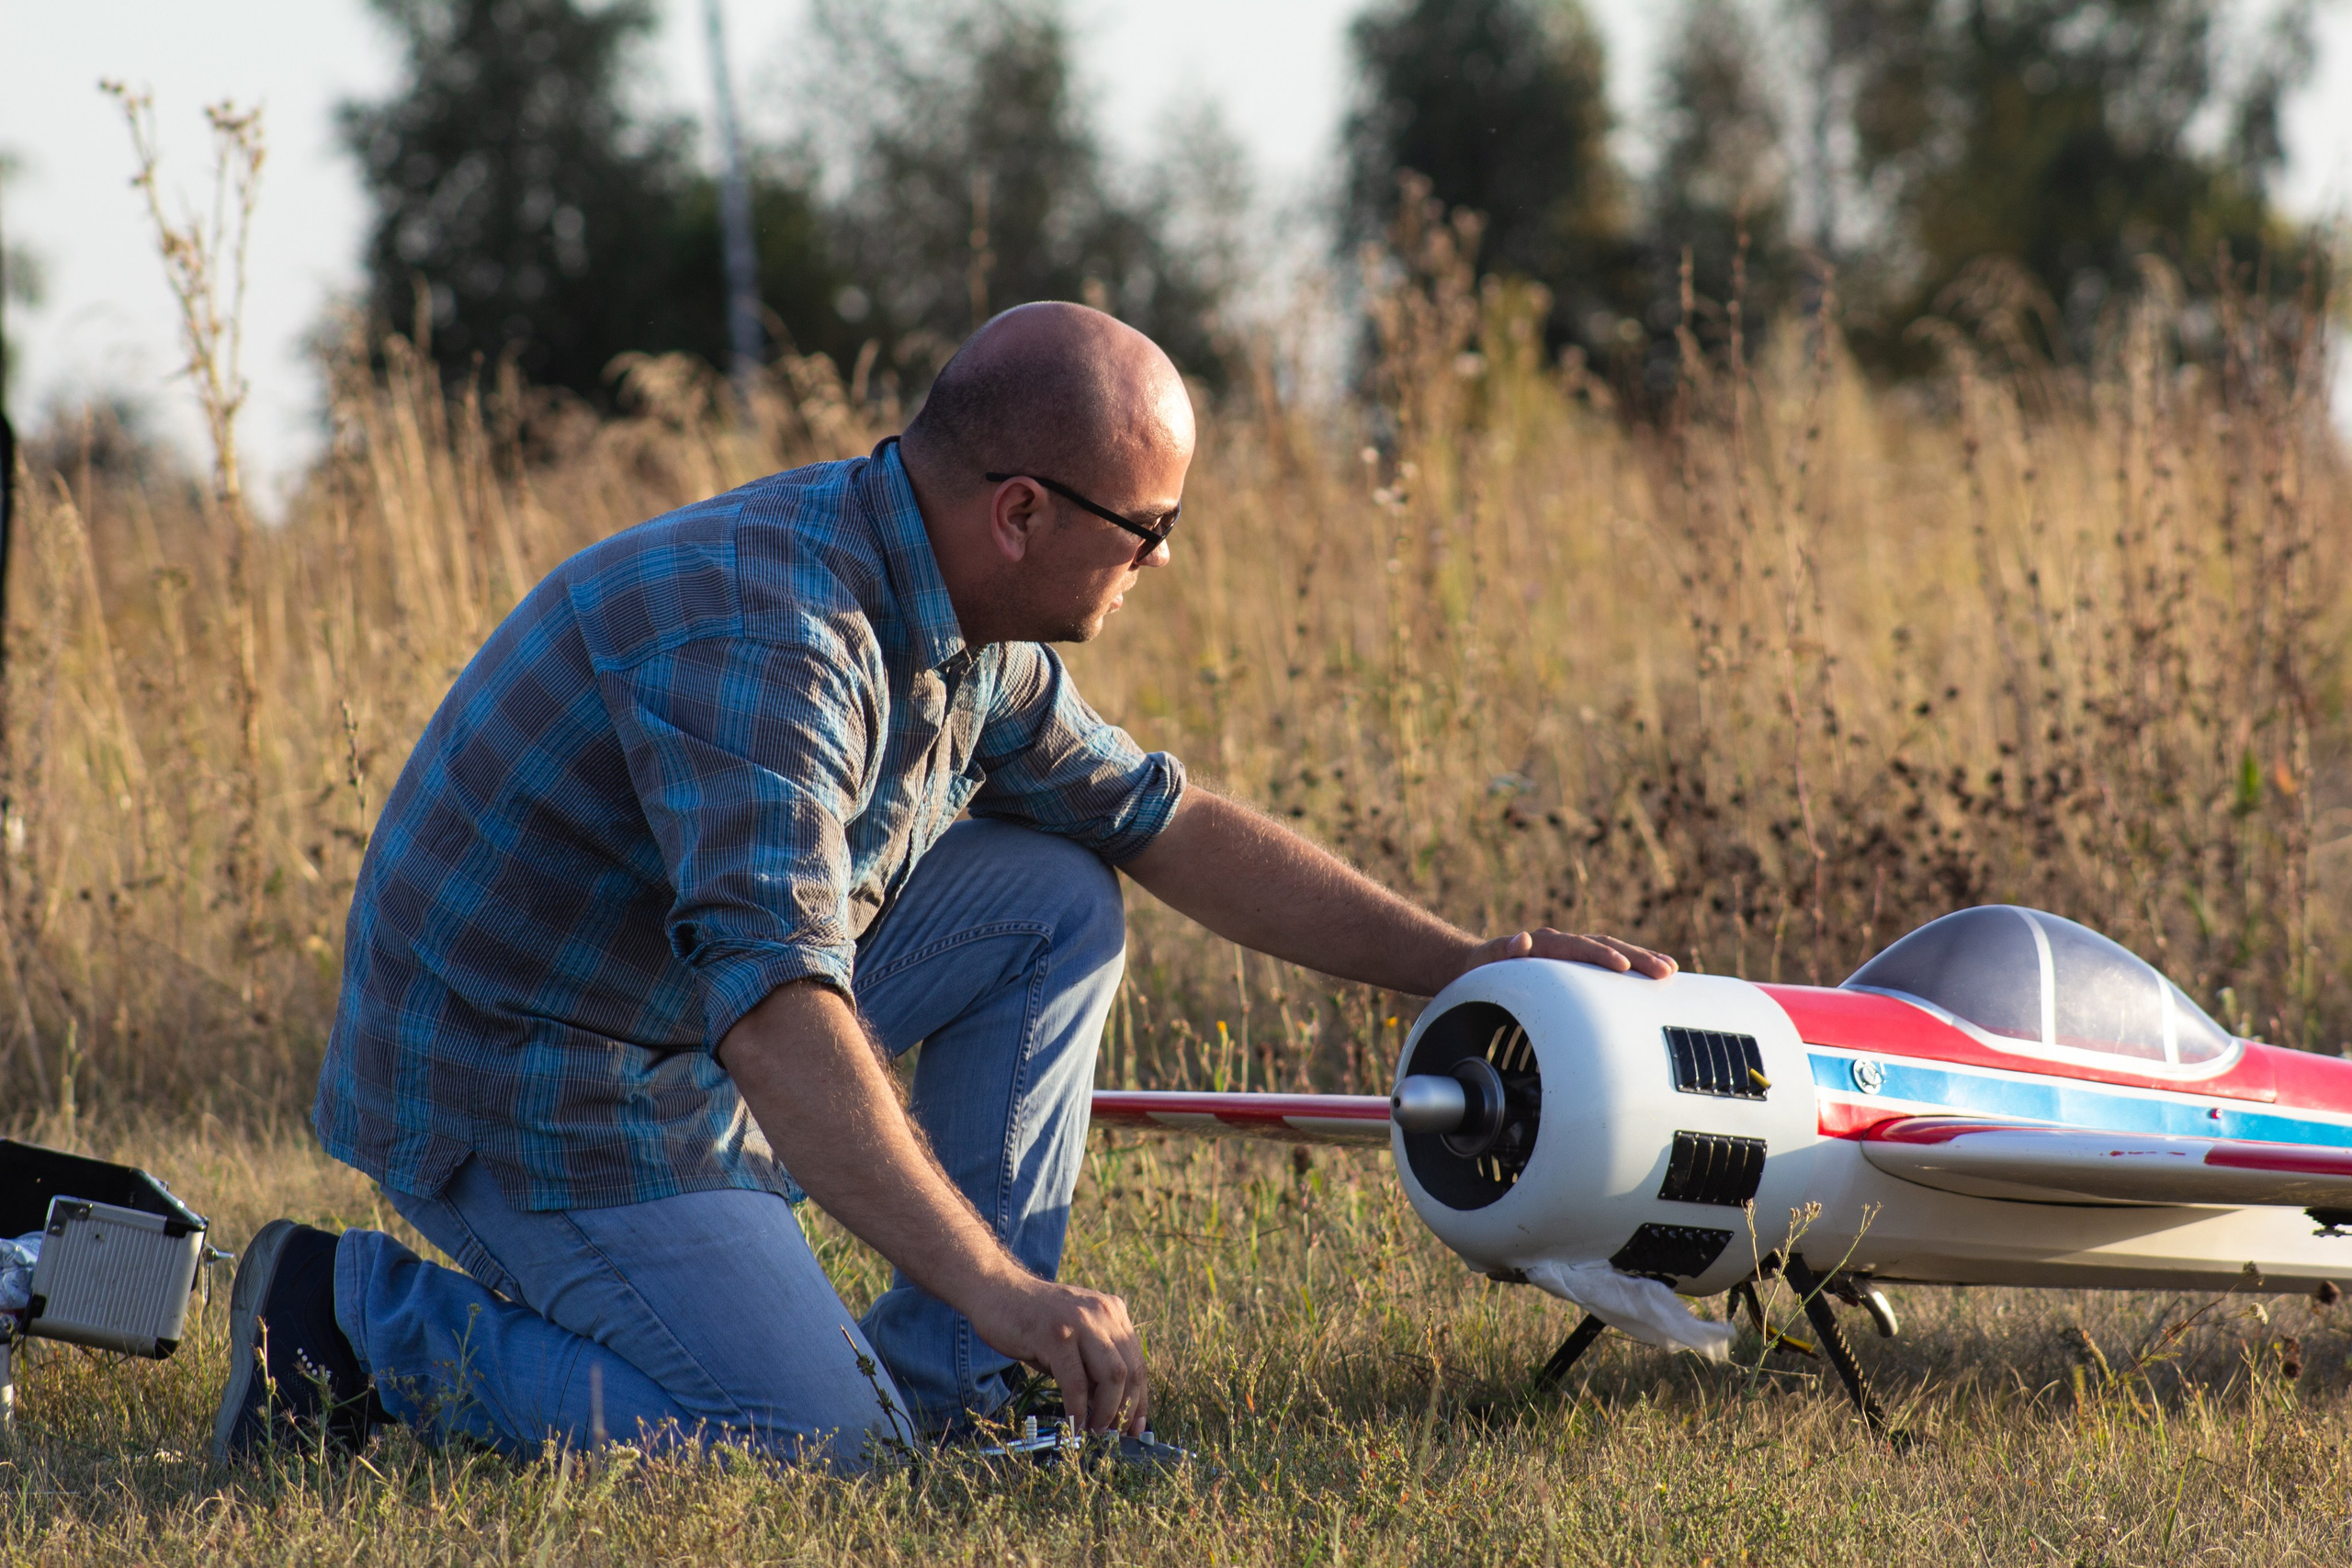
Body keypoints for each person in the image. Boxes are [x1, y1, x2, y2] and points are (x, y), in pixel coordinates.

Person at [213, 302, 1674, 1469]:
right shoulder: (774, 643)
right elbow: (780, 1017)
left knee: (1054, 892)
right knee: (802, 1445)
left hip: (667, 1017)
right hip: (531, 1080)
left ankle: (967, 1398)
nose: (1163, 560)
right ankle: (352, 1325)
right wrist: (1008, 1285)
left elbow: (1168, 824)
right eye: (1150, 528)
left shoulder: (968, 630)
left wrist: (1467, 967)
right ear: (1025, 513)